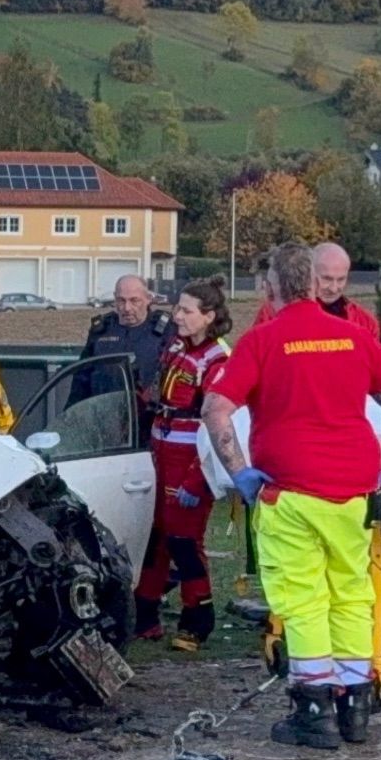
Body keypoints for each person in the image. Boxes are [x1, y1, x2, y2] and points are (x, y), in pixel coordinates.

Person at [202, 242, 381, 749]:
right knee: (351, 592)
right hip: (353, 489)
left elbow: (216, 409)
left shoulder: (262, 341)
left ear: (270, 287)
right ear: (316, 284)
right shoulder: (353, 337)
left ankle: (313, 708)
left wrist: (241, 472)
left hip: (290, 490)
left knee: (302, 601)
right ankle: (355, 704)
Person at [134, 276, 232, 651]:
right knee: (155, 536)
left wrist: (198, 479)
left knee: (184, 541)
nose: (177, 316)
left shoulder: (218, 359)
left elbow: (218, 422)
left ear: (208, 316)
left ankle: (197, 618)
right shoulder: (176, 345)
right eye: (178, 308)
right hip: (160, 449)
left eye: (186, 311)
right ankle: (144, 616)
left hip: (190, 458)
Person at [79, 275, 173, 413]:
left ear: (148, 299)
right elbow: (81, 379)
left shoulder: (166, 330)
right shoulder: (101, 330)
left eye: (135, 301)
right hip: (106, 415)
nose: (127, 308)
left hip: (149, 418)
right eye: (121, 300)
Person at [247, 242, 380, 337]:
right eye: (326, 279)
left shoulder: (363, 321)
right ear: (310, 274)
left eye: (341, 280)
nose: (334, 289)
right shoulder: (272, 312)